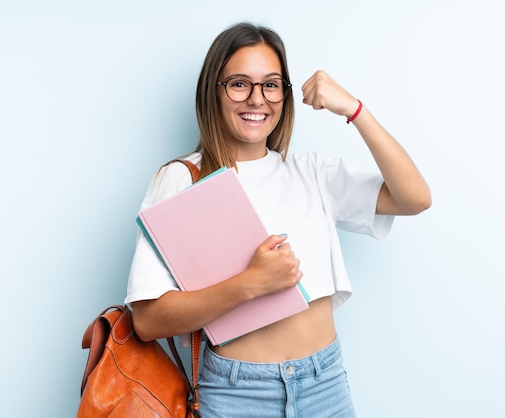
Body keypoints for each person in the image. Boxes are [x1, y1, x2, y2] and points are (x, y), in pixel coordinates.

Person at [125, 22, 431, 418]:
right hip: (238, 395)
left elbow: (415, 198)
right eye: (239, 84)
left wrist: (355, 110)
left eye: (271, 84)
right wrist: (250, 284)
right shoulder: (183, 178)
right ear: (212, 91)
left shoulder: (311, 173)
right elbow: (147, 320)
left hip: (325, 385)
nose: (257, 99)